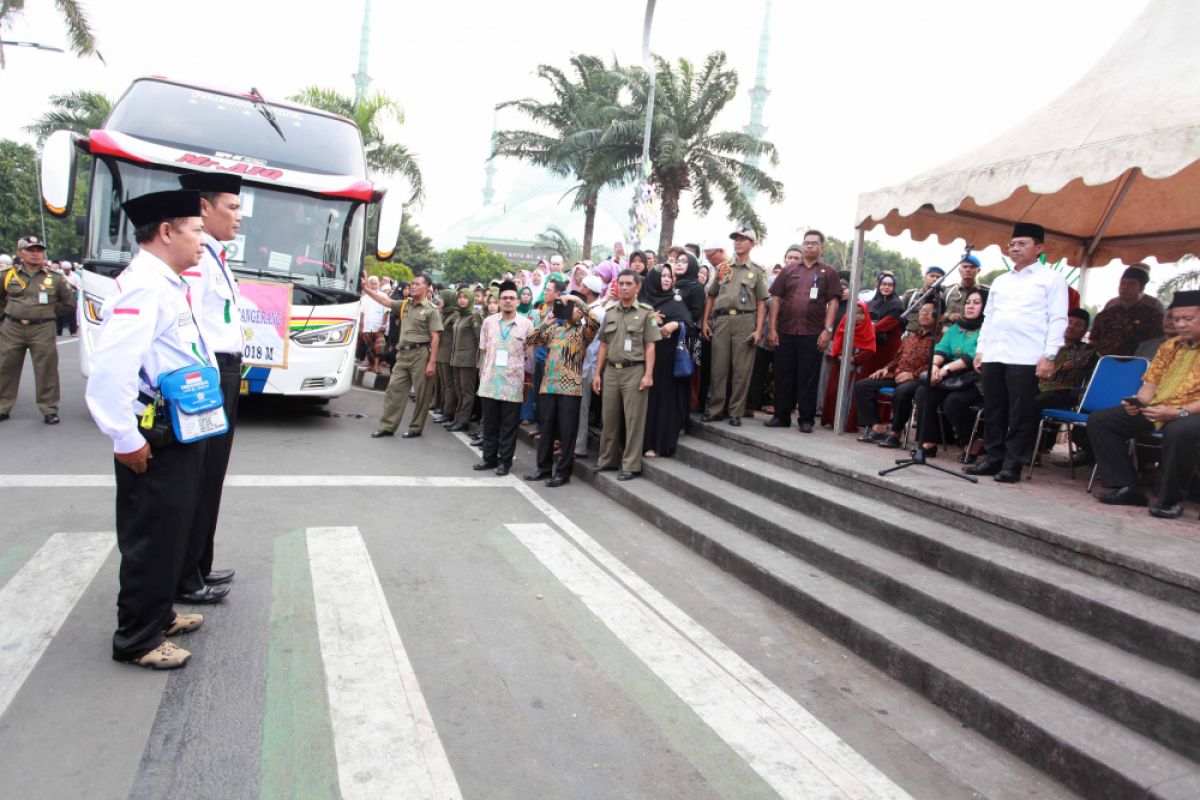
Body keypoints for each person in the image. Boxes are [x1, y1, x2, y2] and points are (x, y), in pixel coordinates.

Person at [85, 189, 211, 670]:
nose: (202, 241)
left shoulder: (168, 282)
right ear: (166, 231)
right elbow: (113, 368)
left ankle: (157, 615)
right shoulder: (144, 285)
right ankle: (136, 638)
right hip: (152, 432)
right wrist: (125, 436)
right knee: (151, 533)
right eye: (196, 230)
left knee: (171, 528)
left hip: (179, 424)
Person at [173, 170, 246, 604]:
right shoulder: (199, 258)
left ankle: (199, 565)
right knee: (200, 477)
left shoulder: (217, 255)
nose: (239, 217)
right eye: (232, 207)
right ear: (204, 207)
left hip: (226, 371)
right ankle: (186, 577)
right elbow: (194, 324)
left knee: (212, 476)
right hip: (210, 372)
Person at [966, 222, 1068, 482]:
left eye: (1022, 243)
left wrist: (1050, 354)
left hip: (1026, 356)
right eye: (1012, 244)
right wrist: (981, 350)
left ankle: (1013, 464)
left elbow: (1058, 319)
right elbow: (989, 318)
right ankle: (993, 457)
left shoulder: (1052, 279)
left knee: (1021, 413)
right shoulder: (1001, 280)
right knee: (994, 408)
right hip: (995, 353)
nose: (1015, 248)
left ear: (1039, 248)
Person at [1088, 290, 1200, 518]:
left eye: (1188, 319)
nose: (1180, 324)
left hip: (1191, 411)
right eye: (1176, 318)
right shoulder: (1169, 346)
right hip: (1160, 407)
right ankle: (1130, 487)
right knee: (1102, 421)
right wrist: (1138, 402)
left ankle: (1171, 500)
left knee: (1180, 431)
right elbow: (1151, 384)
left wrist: (1178, 412)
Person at [764, 230, 840, 433]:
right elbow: (777, 299)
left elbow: (833, 301)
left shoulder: (829, 272)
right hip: (785, 330)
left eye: (814, 243)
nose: (809, 246)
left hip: (813, 332)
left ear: (822, 248)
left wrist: (828, 330)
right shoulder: (789, 270)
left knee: (808, 376)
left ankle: (806, 419)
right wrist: (771, 329)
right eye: (806, 243)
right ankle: (781, 415)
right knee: (783, 374)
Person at [591, 269, 661, 480]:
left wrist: (648, 374)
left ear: (637, 287)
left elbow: (650, 346)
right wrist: (597, 373)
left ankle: (631, 465)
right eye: (620, 283)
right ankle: (607, 460)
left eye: (628, 284)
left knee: (633, 419)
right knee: (609, 417)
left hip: (634, 370)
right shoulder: (610, 311)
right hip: (611, 370)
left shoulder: (647, 312)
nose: (623, 287)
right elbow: (603, 344)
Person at [524, 292, 599, 486]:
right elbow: (531, 339)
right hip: (548, 386)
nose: (569, 309)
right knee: (546, 430)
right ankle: (543, 468)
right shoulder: (554, 328)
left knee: (567, 432)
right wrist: (547, 320)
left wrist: (578, 302)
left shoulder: (584, 332)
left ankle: (563, 473)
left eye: (573, 307)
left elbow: (595, 320)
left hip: (570, 389)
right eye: (568, 306)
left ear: (580, 313)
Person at [0, 235, 75, 424]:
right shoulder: (8, 275)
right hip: (12, 327)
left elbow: (69, 304)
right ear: (20, 253)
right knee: (5, 367)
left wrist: (47, 312)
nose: (36, 254)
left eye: (39, 250)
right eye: (31, 250)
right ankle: (3, 406)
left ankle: (49, 408)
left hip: (42, 328)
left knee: (47, 368)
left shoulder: (55, 278)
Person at [701, 227, 768, 427]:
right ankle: (715, 410)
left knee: (742, 370)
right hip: (721, 321)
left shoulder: (757, 270)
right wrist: (705, 321)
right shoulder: (723, 268)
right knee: (718, 368)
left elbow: (762, 302)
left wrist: (758, 330)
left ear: (752, 244)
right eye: (736, 239)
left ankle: (736, 412)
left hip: (745, 321)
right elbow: (711, 295)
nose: (738, 243)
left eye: (743, 239)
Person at [914, 289, 987, 461]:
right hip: (949, 375)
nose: (970, 306)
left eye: (977, 303)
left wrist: (945, 370)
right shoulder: (957, 326)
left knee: (953, 402)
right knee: (924, 392)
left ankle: (971, 443)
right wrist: (933, 366)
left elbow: (971, 355)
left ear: (986, 307)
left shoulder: (988, 328)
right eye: (968, 302)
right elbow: (942, 347)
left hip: (974, 378)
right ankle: (928, 443)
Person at [366, 274, 442, 439]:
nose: (412, 286)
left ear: (427, 288)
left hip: (420, 354)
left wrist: (432, 363)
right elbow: (385, 301)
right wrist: (365, 289)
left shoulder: (431, 310)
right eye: (412, 284)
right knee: (394, 390)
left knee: (422, 395)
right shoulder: (404, 305)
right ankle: (387, 426)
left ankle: (415, 428)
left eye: (417, 284)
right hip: (403, 354)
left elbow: (435, 337)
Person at [856, 299, 940, 446]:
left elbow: (934, 364)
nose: (924, 314)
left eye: (928, 311)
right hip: (897, 375)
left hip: (918, 379)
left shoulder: (940, 338)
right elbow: (898, 358)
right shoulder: (911, 337)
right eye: (922, 311)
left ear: (938, 315)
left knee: (902, 392)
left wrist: (912, 375)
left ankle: (895, 433)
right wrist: (886, 368)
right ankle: (877, 428)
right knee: (862, 385)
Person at [474, 281, 532, 475]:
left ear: (517, 302)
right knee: (490, 423)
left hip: (512, 382)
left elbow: (529, 353)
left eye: (511, 298)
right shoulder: (488, 322)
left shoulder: (527, 325)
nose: (508, 301)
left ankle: (504, 462)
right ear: (499, 301)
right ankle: (488, 459)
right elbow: (483, 351)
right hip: (490, 380)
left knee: (508, 426)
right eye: (504, 298)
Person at [642, 267, 695, 458]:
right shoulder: (642, 300)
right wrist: (647, 319)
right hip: (643, 359)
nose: (666, 279)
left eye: (669, 276)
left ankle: (658, 444)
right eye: (662, 276)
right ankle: (640, 443)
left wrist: (676, 325)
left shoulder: (676, 301)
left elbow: (690, 326)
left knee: (662, 401)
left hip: (666, 359)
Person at [1033, 308, 1096, 454]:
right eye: (1069, 322)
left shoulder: (1087, 351)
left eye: (1078, 325)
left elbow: (1069, 366)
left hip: (1065, 391)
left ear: (1084, 330)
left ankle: (1033, 448)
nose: (1071, 326)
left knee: (1039, 400)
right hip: (1038, 386)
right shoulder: (1046, 345)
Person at [821, 295, 875, 431]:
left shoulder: (868, 330)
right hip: (839, 366)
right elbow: (837, 344)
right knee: (834, 392)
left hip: (856, 369)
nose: (858, 317)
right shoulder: (844, 327)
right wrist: (840, 355)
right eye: (855, 313)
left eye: (862, 313)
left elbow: (870, 349)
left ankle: (847, 423)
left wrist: (854, 358)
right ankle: (831, 420)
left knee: (850, 395)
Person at [1088, 266, 1164, 357]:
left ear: (1141, 288)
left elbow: (1158, 343)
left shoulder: (1153, 316)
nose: (1124, 287)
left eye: (1131, 284)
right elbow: (1093, 342)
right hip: (1105, 364)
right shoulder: (1104, 316)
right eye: (1122, 283)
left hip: (1138, 365)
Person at [576, 275, 607, 458]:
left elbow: (587, 341)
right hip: (583, 365)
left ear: (587, 289)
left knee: (582, 409)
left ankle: (579, 447)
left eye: (582, 285)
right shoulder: (591, 310)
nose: (580, 288)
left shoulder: (595, 313)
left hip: (588, 366)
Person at [445, 287, 482, 433]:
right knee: (459, 390)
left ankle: (463, 420)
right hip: (456, 358)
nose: (462, 300)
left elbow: (480, 339)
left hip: (468, 360)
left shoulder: (474, 316)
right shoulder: (459, 315)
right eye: (460, 297)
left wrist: (478, 360)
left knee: (467, 392)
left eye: (465, 297)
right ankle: (458, 417)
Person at [432, 288, 458, 423]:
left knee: (449, 384)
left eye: (442, 298)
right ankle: (442, 407)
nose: (439, 300)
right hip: (440, 352)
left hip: (448, 353)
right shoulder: (444, 313)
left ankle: (448, 411)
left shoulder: (454, 315)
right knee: (443, 383)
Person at [941, 256, 989, 324]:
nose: (968, 270)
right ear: (959, 270)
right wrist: (948, 316)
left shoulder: (986, 292)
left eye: (972, 267)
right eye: (965, 267)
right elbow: (937, 317)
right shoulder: (947, 291)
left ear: (978, 270)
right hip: (950, 332)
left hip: (976, 332)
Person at [358, 275, 390, 373]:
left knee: (379, 347)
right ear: (368, 284)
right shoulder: (364, 298)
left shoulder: (383, 296)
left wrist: (384, 325)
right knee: (369, 348)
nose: (373, 285)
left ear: (378, 284)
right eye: (371, 283)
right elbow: (362, 312)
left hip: (379, 326)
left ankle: (376, 366)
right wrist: (361, 325)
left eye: (375, 283)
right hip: (367, 326)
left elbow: (387, 311)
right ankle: (372, 366)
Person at [900, 266, 945, 334]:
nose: (935, 279)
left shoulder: (944, 297)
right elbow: (898, 316)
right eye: (932, 276)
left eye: (938, 277)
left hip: (933, 338)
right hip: (909, 338)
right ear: (924, 278)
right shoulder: (911, 295)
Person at [56, 261, 79, 335]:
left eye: (67, 270)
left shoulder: (75, 276)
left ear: (70, 269)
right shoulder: (59, 275)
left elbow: (78, 287)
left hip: (71, 295)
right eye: (64, 270)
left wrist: (69, 284)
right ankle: (58, 331)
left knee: (72, 314)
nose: (66, 271)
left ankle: (73, 331)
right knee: (59, 313)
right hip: (61, 295)